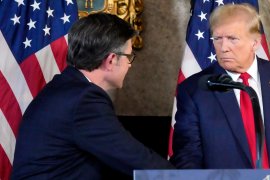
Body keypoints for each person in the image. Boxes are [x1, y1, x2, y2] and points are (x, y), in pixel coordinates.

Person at [11, 13, 174, 179]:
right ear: (111, 60)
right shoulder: (84, 100)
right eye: (129, 57)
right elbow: (136, 159)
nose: (129, 65)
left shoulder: (66, 87)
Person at [170, 3, 270, 169]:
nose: (223, 48)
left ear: (255, 43)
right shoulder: (194, 90)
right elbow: (187, 157)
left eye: (232, 39)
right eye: (217, 38)